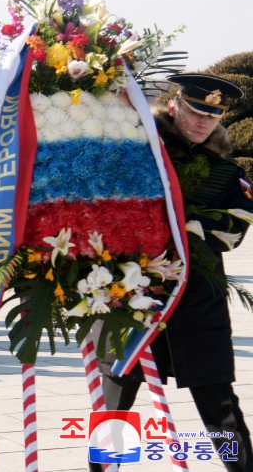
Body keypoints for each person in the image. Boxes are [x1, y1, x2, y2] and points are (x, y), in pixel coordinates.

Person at [92, 74, 253, 472]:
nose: (203, 123)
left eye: (213, 117)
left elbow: (230, 232)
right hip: (130, 297)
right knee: (114, 405)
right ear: (176, 104)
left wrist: (178, 228)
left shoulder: (226, 175)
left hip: (196, 302)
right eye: (197, 112)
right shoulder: (136, 150)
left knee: (220, 408)